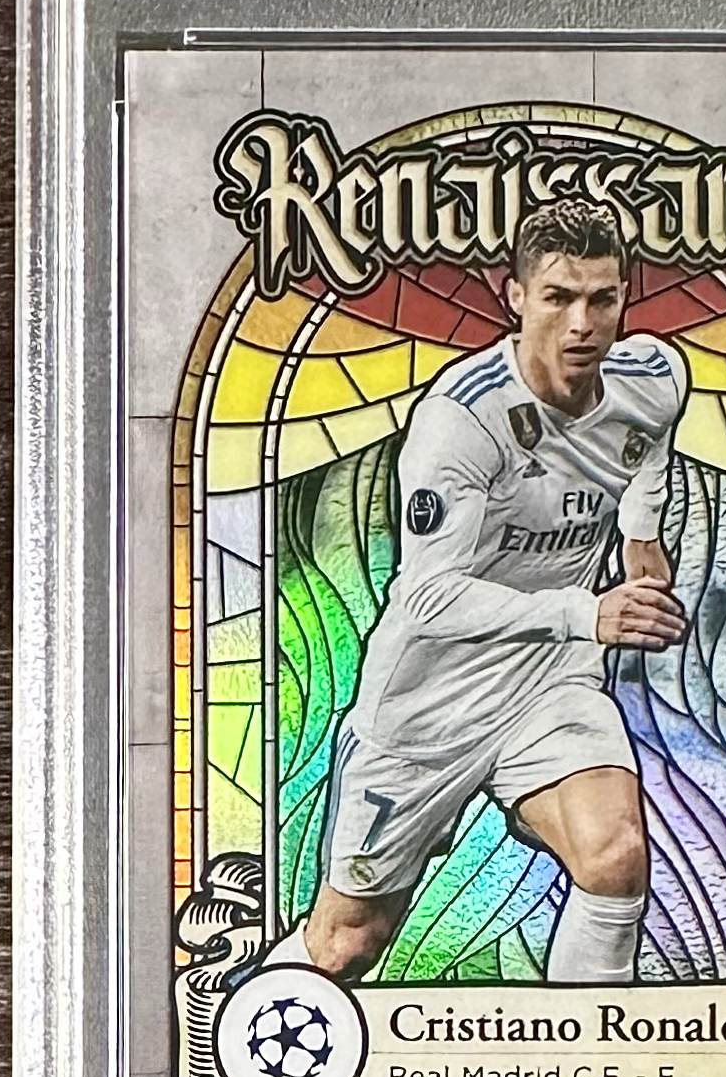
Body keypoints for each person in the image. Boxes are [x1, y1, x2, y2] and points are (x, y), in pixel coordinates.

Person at [270, 195, 689, 985]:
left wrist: (640, 535)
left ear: (622, 297)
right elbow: (429, 597)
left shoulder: (653, 376)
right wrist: (585, 610)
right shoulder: (462, 419)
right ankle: (242, 1033)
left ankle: (586, 1049)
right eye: (558, 297)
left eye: (601, 299)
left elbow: (646, 450)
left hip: (547, 681)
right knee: (347, 943)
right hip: (427, 702)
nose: (581, 324)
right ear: (516, 296)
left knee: (614, 856)